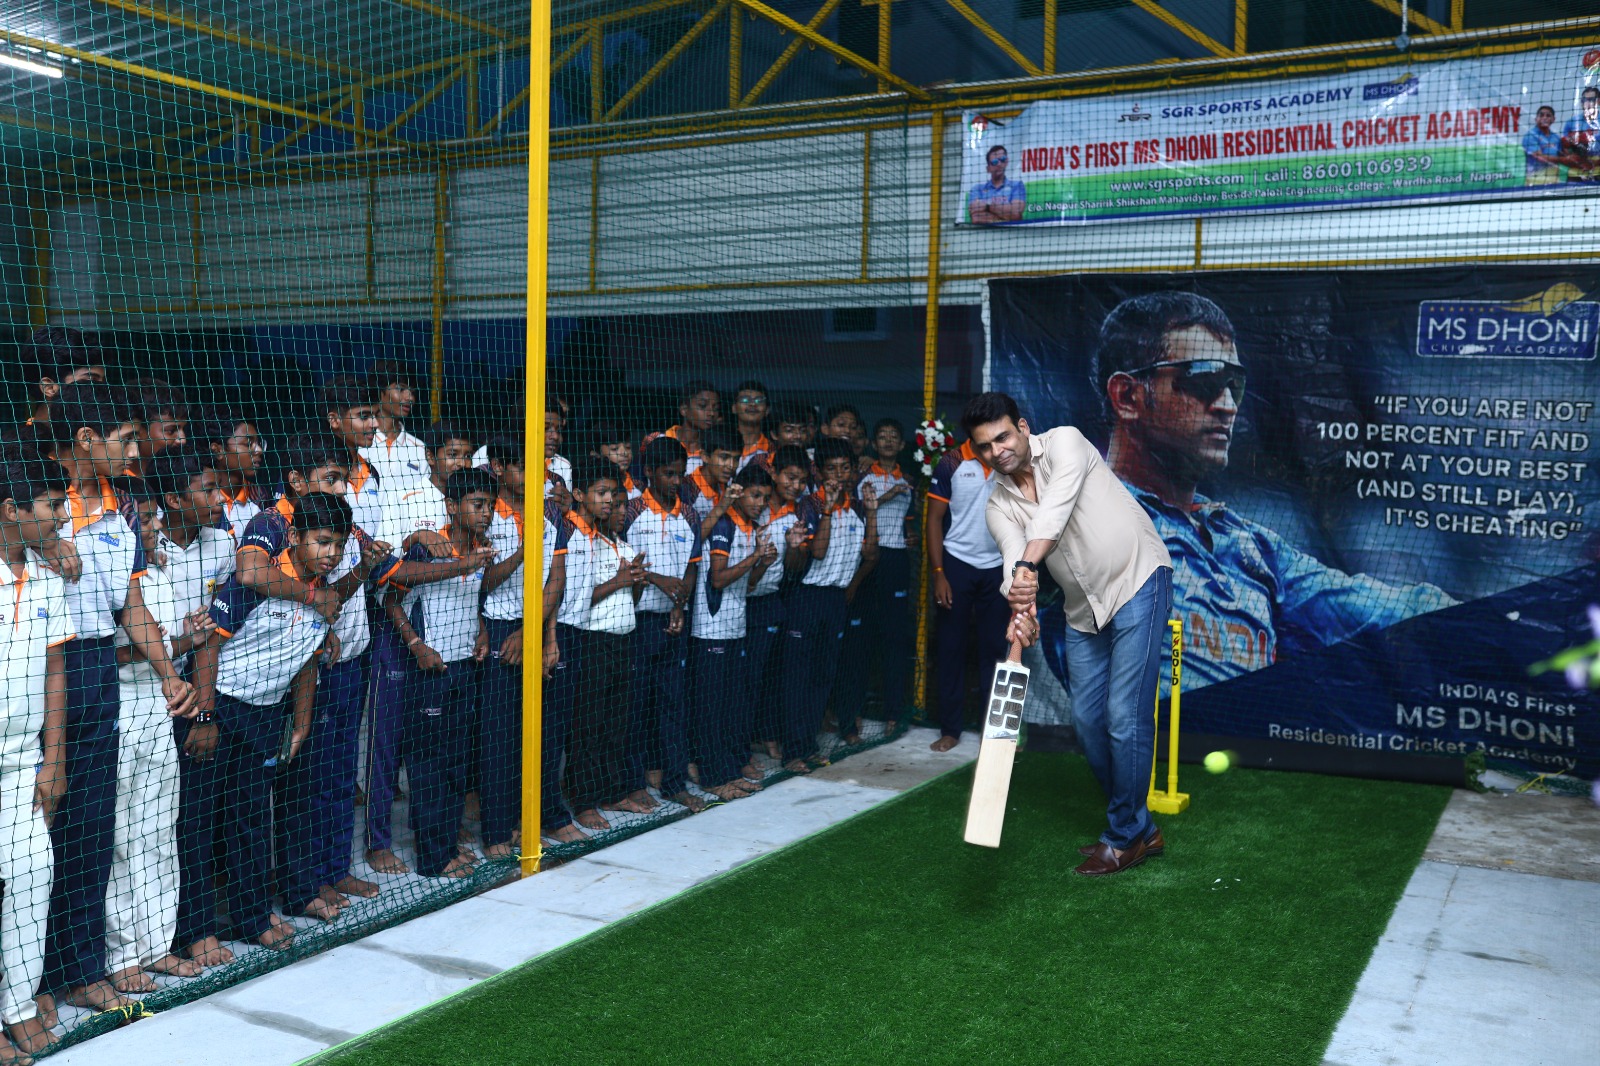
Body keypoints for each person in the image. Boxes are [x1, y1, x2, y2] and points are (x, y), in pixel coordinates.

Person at [1094, 291, 1453, 689]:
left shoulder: (1252, 547)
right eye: (1204, 380)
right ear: (1128, 397)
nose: (1228, 405)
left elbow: (1384, 611)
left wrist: (1495, 620)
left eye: (1234, 385)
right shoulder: (1083, 520)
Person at [966, 391, 1173, 877]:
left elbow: (1052, 517)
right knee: (1086, 721)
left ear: (1022, 427)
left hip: (1138, 580)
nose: (997, 451)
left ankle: (1123, 838)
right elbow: (1012, 560)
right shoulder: (997, 505)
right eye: (985, 446)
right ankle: (1141, 827)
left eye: (1003, 437)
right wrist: (1021, 604)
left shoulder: (1066, 443)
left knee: (1124, 716)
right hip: (1083, 611)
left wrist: (1024, 569)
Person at [41, 383, 193, 1019]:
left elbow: (130, 604)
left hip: (98, 667)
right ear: (84, 439)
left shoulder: (119, 507)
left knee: (93, 829)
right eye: (126, 438)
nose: (135, 451)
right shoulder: (36, 499)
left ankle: (81, 970)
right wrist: (43, 540)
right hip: (40, 673)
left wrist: (168, 673)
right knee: (35, 836)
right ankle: (34, 983)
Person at [237, 435, 409, 918]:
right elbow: (255, 575)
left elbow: (346, 588)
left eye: (343, 479)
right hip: (298, 670)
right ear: (296, 479)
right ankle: (304, 880)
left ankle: (334, 869)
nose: (341, 488)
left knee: (337, 775)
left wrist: (367, 568)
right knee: (304, 782)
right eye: (331, 478)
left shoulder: (341, 523)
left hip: (347, 657)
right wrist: (315, 606)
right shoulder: (276, 523)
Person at [192, 491, 347, 950]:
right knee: (199, 824)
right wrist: (205, 716)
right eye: (322, 541)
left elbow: (307, 660)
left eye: (339, 544)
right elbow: (209, 647)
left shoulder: (325, 594)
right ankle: (196, 932)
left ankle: (253, 918)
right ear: (294, 537)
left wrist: (300, 724)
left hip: (266, 716)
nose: (331, 553)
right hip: (220, 709)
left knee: (251, 822)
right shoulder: (260, 583)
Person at [105, 450, 228, 996]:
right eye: (147, 519)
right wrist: (175, 644)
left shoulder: (162, 572)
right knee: (122, 837)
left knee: (159, 829)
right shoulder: (115, 578)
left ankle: (157, 944)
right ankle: (122, 956)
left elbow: (177, 641)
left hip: (161, 706)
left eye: (155, 516)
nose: (156, 526)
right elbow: (109, 656)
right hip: (121, 707)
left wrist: (188, 638)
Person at [381, 469, 496, 879]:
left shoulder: (481, 548)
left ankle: (447, 844)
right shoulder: (429, 548)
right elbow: (391, 600)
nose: (486, 512)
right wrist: (416, 645)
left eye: (490, 505)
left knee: (456, 761)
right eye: (477, 504)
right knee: (428, 765)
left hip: (465, 665)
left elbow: (471, 598)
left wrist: (481, 630)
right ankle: (433, 858)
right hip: (431, 668)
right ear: (451, 506)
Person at [0, 459, 72, 1062]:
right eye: (52, 505)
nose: (63, 517)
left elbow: (55, 671)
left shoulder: (48, 579)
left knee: (33, 875)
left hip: (24, 761)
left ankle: (19, 1006)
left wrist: (55, 758)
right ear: (12, 511)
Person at [777, 438, 878, 774]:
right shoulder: (809, 505)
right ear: (818, 473)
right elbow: (817, 553)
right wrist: (828, 509)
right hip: (807, 597)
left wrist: (872, 513)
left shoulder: (858, 506)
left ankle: (809, 746)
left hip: (836, 598)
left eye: (845, 468)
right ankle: (793, 752)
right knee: (798, 676)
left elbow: (870, 554)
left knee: (823, 675)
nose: (839, 475)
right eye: (831, 469)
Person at [561, 457, 648, 831]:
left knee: (616, 722)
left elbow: (631, 599)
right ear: (580, 494)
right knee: (588, 725)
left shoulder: (619, 545)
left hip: (623, 641)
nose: (612, 502)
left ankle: (611, 792)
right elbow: (577, 599)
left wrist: (635, 581)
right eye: (604, 493)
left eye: (615, 495)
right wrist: (619, 581)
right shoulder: (578, 538)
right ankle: (583, 801)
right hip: (592, 643)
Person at [622, 437, 700, 812]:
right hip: (637, 621)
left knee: (673, 703)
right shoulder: (632, 511)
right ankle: (634, 783)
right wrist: (657, 580)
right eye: (668, 474)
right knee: (635, 705)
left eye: (680, 474)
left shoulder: (690, 514)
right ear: (650, 472)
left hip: (673, 620)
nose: (675, 481)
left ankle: (674, 783)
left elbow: (692, 566)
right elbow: (622, 563)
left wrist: (680, 605)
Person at [693, 463, 778, 799]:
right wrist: (755, 556)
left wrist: (762, 564)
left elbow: (748, 584)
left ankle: (729, 771)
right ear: (740, 493)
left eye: (765, 497)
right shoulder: (724, 525)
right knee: (711, 708)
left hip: (734, 626)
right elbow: (717, 579)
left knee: (731, 705)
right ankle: (712, 777)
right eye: (755, 495)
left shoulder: (750, 527)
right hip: (711, 629)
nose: (760, 503)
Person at [926, 436, 1007, 752]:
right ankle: (950, 730)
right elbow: (934, 519)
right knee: (951, 648)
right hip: (956, 564)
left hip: (999, 566)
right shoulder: (951, 461)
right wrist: (939, 573)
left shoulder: (1009, 457)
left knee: (998, 651)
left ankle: (997, 732)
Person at [838, 419, 916, 741]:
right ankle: (850, 716)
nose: (887, 441)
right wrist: (890, 493)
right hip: (869, 558)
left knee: (894, 640)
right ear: (873, 443)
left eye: (893, 437)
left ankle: (894, 715)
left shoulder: (907, 479)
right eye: (882, 436)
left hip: (896, 559)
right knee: (860, 641)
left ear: (901, 445)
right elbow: (862, 509)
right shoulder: (863, 476)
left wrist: (908, 532)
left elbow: (906, 518)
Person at [479, 436, 536, 855]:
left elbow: (555, 579)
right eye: (522, 466)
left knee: (527, 732)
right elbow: (480, 584)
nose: (532, 475)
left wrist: (534, 629)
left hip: (532, 627)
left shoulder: (542, 512)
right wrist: (520, 555)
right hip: (496, 629)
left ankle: (522, 821)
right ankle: (496, 831)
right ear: (499, 467)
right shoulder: (485, 512)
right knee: (497, 735)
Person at [747, 446, 811, 761]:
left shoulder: (796, 514)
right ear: (774, 473)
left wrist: (795, 547)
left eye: (802, 480)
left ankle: (766, 734)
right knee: (744, 678)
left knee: (770, 673)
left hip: (772, 598)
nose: (796, 486)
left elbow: (795, 568)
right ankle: (741, 744)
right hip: (740, 601)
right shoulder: (753, 506)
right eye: (790, 477)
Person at [19, 327, 107, 427]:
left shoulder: (101, 433)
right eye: (91, 381)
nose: (103, 390)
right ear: (49, 387)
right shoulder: (20, 437)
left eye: (102, 382)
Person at [361, 361, 428, 489]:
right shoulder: (359, 443)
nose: (410, 398)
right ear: (380, 391)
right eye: (400, 389)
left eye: (412, 392)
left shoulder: (419, 449)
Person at [203, 410, 267, 539]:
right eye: (248, 444)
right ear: (218, 450)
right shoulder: (201, 497)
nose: (259, 450)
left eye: (259, 443)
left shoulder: (260, 496)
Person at [680, 426, 743, 539]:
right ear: (705, 457)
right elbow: (689, 542)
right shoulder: (685, 490)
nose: (731, 465)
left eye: (736, 459)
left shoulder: (730, 488)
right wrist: (721, 508)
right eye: (724, 457)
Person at [646, 381, 720, 476]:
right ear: (684, 410)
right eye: (703, 406)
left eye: (716, 408)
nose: (712, 413)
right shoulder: (655, 439)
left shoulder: (715, 452)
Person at [968, 144, 1026, 223]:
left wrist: (987, 206)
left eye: (1002, 159)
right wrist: (1006, 216)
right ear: (988, 168)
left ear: (1006, 162)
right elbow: (976, 218)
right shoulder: (977, 189)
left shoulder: (1017, 185)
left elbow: (1016, 214)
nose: (999, 164)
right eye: (994, 162)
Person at [589, 423, 641, 499]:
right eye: (614, 449)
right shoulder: (592, 486)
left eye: (628, 447)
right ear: (596, 455)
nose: (625, 453)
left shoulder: (639, 481)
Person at [730, 380, 772, 470]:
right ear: (734, 408)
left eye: (759, 401)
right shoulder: (721, 443)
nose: (752, 404)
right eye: (745, 400)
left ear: (767, 410)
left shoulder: (772, 450)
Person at [1562, 86, 1600, 183]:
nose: (1587, 103)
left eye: (1591, 100)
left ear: (1598, 101)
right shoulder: (1571, 123)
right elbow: (1565, 148)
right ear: (1581, 102)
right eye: (1584, 100)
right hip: (1577, 171)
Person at [1524, 105, 1566, 186]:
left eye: (1548, 115)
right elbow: (1540, 157)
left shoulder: (1556, 138)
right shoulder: (1530, 136)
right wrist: (1564, 160)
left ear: (1553, 119)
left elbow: (1562, 154)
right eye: (1541, 115)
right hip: (1535, 181)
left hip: (1554, 181)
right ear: (1536, 119)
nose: (1544, 118)